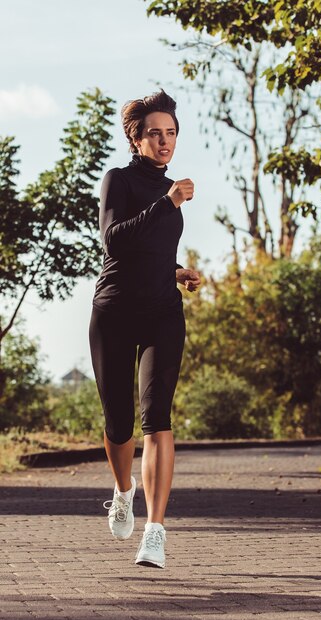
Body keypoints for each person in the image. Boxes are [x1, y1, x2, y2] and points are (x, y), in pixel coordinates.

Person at [88, 88, 201, 569]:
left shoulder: (171, 189)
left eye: (171, 133)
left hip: (161, 312)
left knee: (158, 416)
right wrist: (168, 204)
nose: (164, 141)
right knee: (118, 422)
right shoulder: (119, 181)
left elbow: (152, 251)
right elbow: (115, 241)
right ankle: (122, 490)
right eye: (154, 133)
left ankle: (155, 530)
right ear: (136, 139)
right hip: (114, 311)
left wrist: (178, 271)